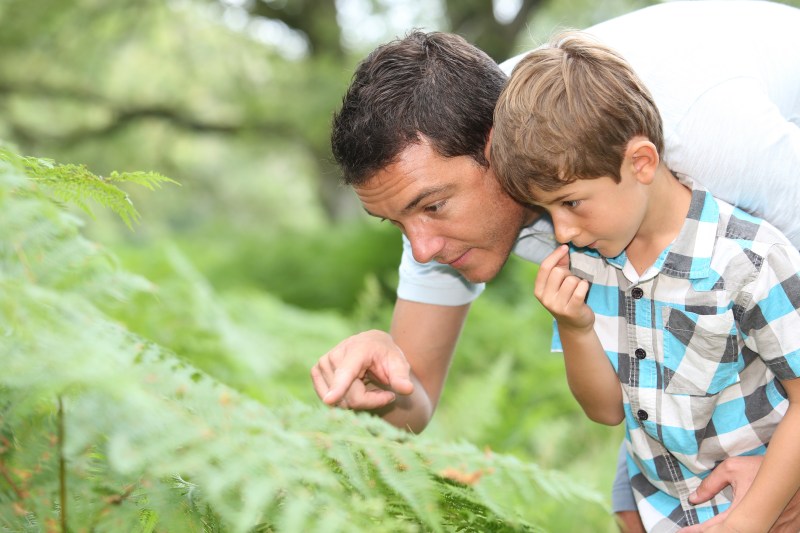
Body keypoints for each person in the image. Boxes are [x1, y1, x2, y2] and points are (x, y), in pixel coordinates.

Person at [311, 1, 800, 531]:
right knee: (631, 506)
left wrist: (774, 486)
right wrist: (382, 374)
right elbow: (414, 405)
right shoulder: (431, 191)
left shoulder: (691, 136)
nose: (422, 248)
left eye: (432, 208)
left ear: (498, 150)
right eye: (397, 223)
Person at [490, 29, 800, 532]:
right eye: (545, 210)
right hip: (665, 513)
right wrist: (574, 327)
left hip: (768, 507)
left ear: (641, 163)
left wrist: (749, 522)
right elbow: (607, 410)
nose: (561, 231)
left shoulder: (748, 259)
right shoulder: (589, 260)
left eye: (570, 202)